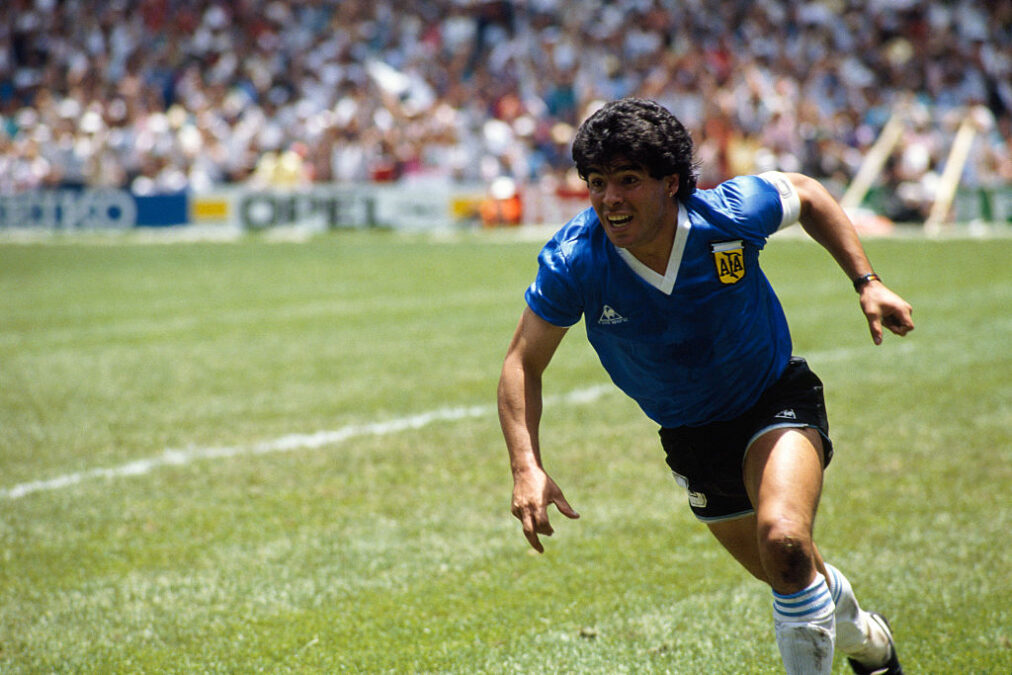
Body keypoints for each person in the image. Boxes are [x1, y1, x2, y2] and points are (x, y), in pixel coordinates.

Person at [497, 98, 913, 674]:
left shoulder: (729, 214)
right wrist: (527, 466)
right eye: (596, 182)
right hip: (691, 436)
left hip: (774, 398)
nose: (610, 199)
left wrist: (867, 281)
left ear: (670, 183)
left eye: (628, 180)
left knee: (785, 543)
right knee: (789, 569)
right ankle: (869, 642)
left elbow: (809, 194)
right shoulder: (575, 261)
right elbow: (522, 364)